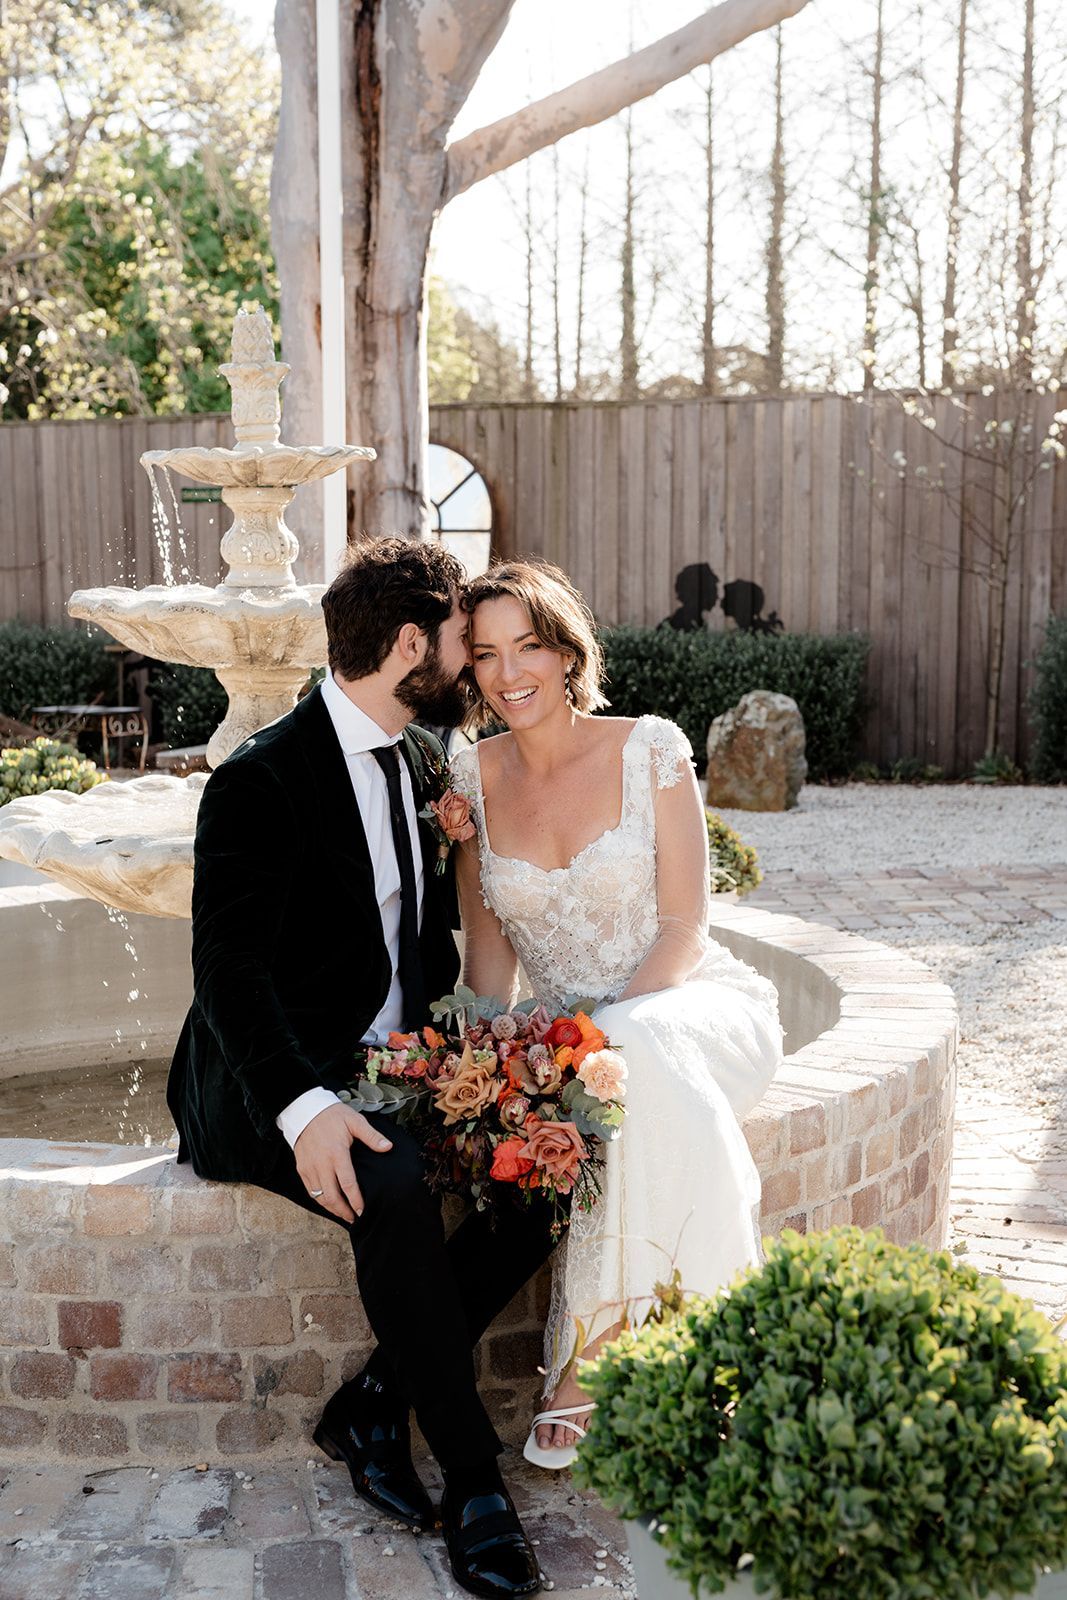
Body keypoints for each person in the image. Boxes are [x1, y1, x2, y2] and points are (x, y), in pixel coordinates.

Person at [168, 537, 548, 1600]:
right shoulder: (259, 780)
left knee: (545, 1169)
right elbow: (228, 974)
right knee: (390, 1182)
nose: (470, 670)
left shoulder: (425, 760)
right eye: (460, 648)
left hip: (400, 1063)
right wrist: (302, 1106)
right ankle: (472, 1477)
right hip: (268, 1079)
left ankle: (373, 1400)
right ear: (407, 643)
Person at [451, 559, 783, 1469]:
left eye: (526, 646)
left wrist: (598, 1038)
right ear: (470, 672)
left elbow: (684, 924)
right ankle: (715, 1347)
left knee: (629, 1058)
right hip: (576, 1046)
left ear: (564, 652)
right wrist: (477, 1070)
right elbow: (489, 957)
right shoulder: (467, 775)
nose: (507, 671)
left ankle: (589, 1359)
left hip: (689, 1003)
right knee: (611, 1080)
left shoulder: (650, 748)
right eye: (484, 655)